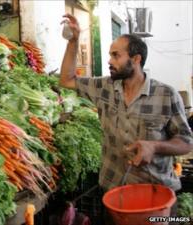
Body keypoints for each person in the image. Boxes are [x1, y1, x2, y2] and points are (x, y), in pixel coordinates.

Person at [59, 13, 193, 221]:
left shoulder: (166, 95)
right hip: (114, 195)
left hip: (155, 197)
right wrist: (74, 41)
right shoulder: (104, 88)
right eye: (110, 55)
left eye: (116, 55)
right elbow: (66, 80)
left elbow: (186, 142)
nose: (109, 61)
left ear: (136, 59)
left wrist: (155, 147)